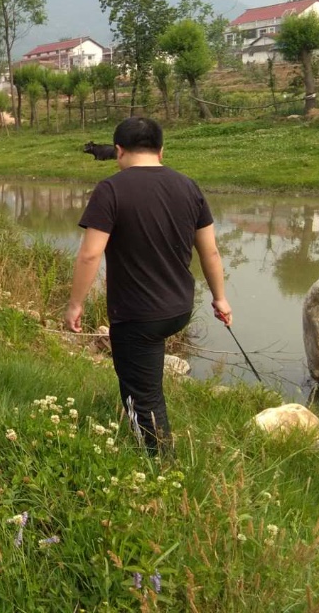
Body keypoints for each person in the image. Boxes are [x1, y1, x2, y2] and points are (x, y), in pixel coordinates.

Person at [64, 116, 231, 456]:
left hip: (137, 313)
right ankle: (147, 442)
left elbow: (89, 255)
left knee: (142, 393)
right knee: (146, 381)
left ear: (119, 151)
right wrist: (221, 299)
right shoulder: (189, 186)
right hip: (179, 307)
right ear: (161, 150)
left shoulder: (110, 189)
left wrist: (75, 304)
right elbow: (210, 250)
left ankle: (157, 462)